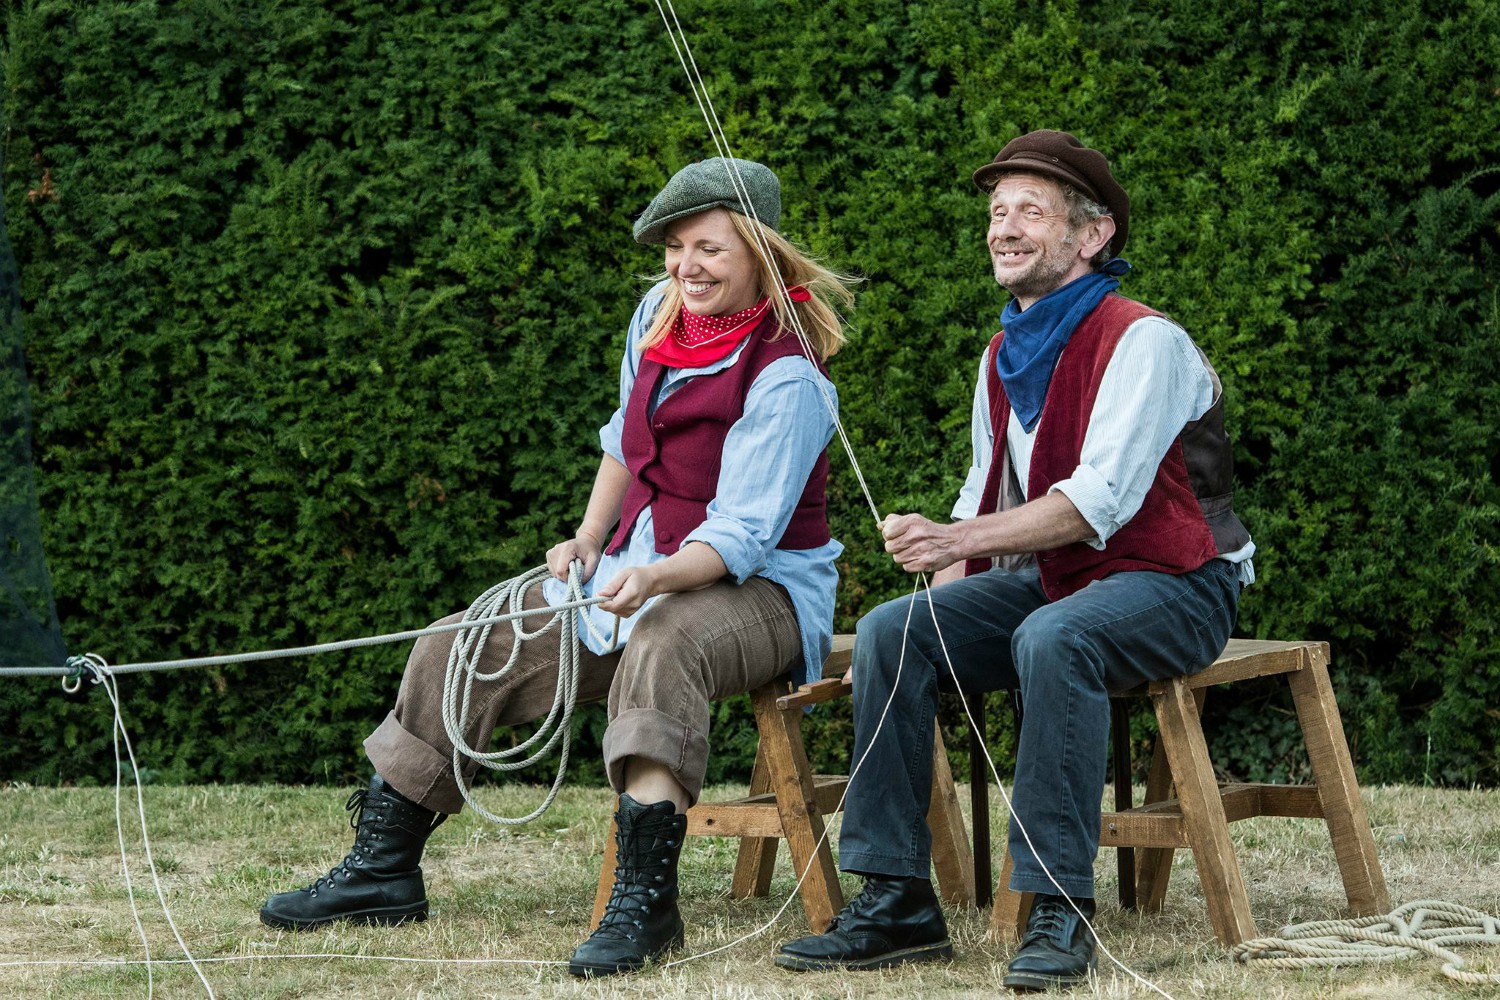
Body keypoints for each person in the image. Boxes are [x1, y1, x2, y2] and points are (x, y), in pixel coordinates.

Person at [258, 156, 855, 978]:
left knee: (662, 643)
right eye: (677, 247)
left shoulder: (787, 374)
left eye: (710, 248)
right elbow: (625, 438)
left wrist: (648, 579)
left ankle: (647, 906)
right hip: (639, 567)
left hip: (764, 592)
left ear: (760, 252)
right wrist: (586, 537)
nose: (688, 266)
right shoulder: (659, 312)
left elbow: (742, 538)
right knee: (463, 639)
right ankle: (383, 869)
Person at [774, 130, 1254, 992]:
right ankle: (896, 904)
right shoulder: (1002, 356)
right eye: (997, 212)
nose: (1004, 228)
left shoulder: (1144, 341)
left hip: (1180, 582)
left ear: (1092, 234)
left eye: (1030, 210)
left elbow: (1093, 507)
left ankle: (1056, 912)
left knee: (1053, 641)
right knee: (895, 630)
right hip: (1063, 584)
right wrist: (937, 584)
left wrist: (959, 542)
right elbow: (982, 506)